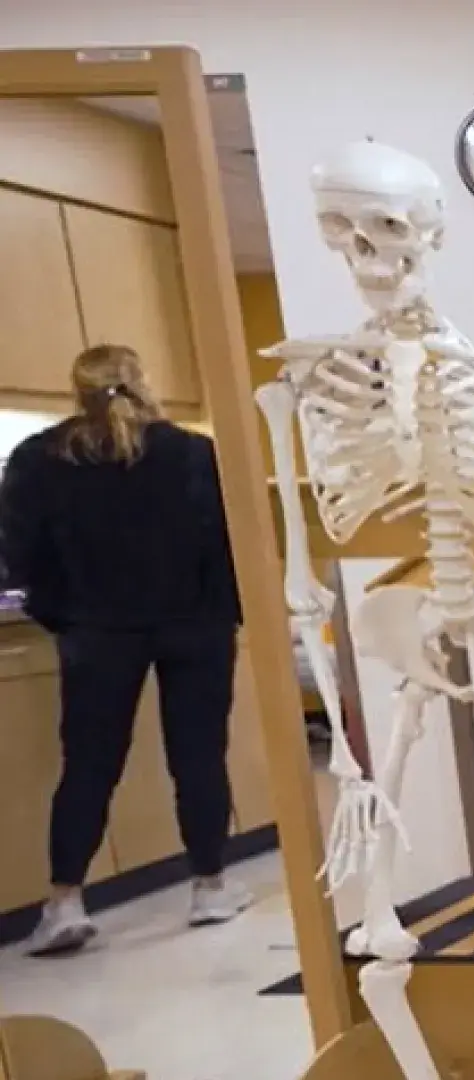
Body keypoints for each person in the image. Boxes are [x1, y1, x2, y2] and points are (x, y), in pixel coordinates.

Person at [0, 344, 250, 957]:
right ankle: (210, 886)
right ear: (140, 382)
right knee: (197, 754)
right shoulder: (192, 452)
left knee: (88, 764)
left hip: (98, 630)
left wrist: (60, 616)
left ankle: (63, 902)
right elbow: (226, 540)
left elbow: (19, 554)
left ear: (76, 389)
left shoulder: (38, 459)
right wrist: (227, 615)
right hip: (195, 626)